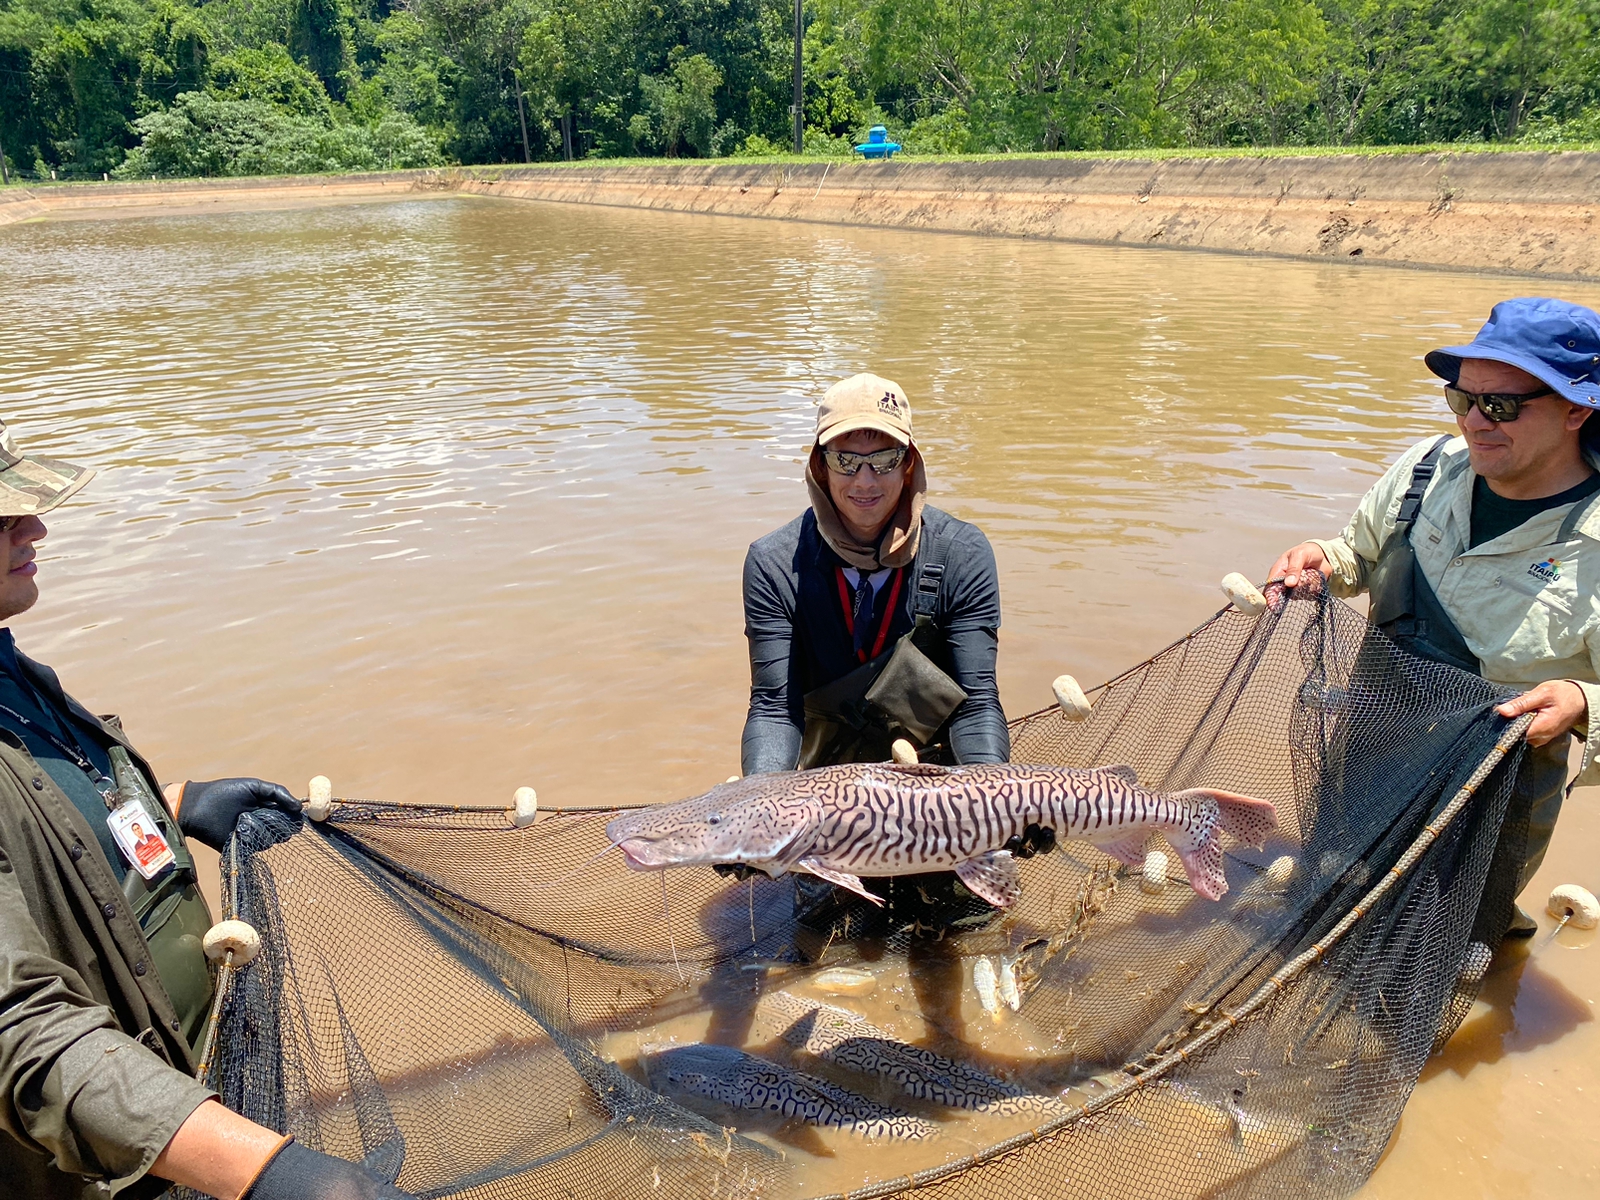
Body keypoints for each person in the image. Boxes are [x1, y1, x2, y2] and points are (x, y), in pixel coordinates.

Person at [0, 419, 411, 1200]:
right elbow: (20, 1034)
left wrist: (178, 804)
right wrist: (268, 1173)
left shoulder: (9, 664)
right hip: (112, 1164)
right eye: (3, 519)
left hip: (181, 1097)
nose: (37, 528)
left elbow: (46, 823)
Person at [1270, 297, 1600, 936]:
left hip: (1487, 808)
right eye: (1462, 399)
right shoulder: (1426, 469)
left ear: (1577, 409)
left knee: (1435, 954)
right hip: (1366, 751)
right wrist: (1321, 562)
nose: (1475, 422)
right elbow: (1358, 554)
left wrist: (1581, 702)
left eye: (1501, 405)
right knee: (1325, 902)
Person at [740, 374, 1034, 926]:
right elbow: (775, 708)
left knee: (963, 931)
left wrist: (999, 809)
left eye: (884, 458)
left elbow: (976, 704)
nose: (866, 481)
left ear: (909, 462)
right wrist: (759, 807)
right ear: (819, 465)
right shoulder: (774, 564)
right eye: (847, 460)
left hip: (941, 794)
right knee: (830, 941)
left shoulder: (963, 553)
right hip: (829, 808)